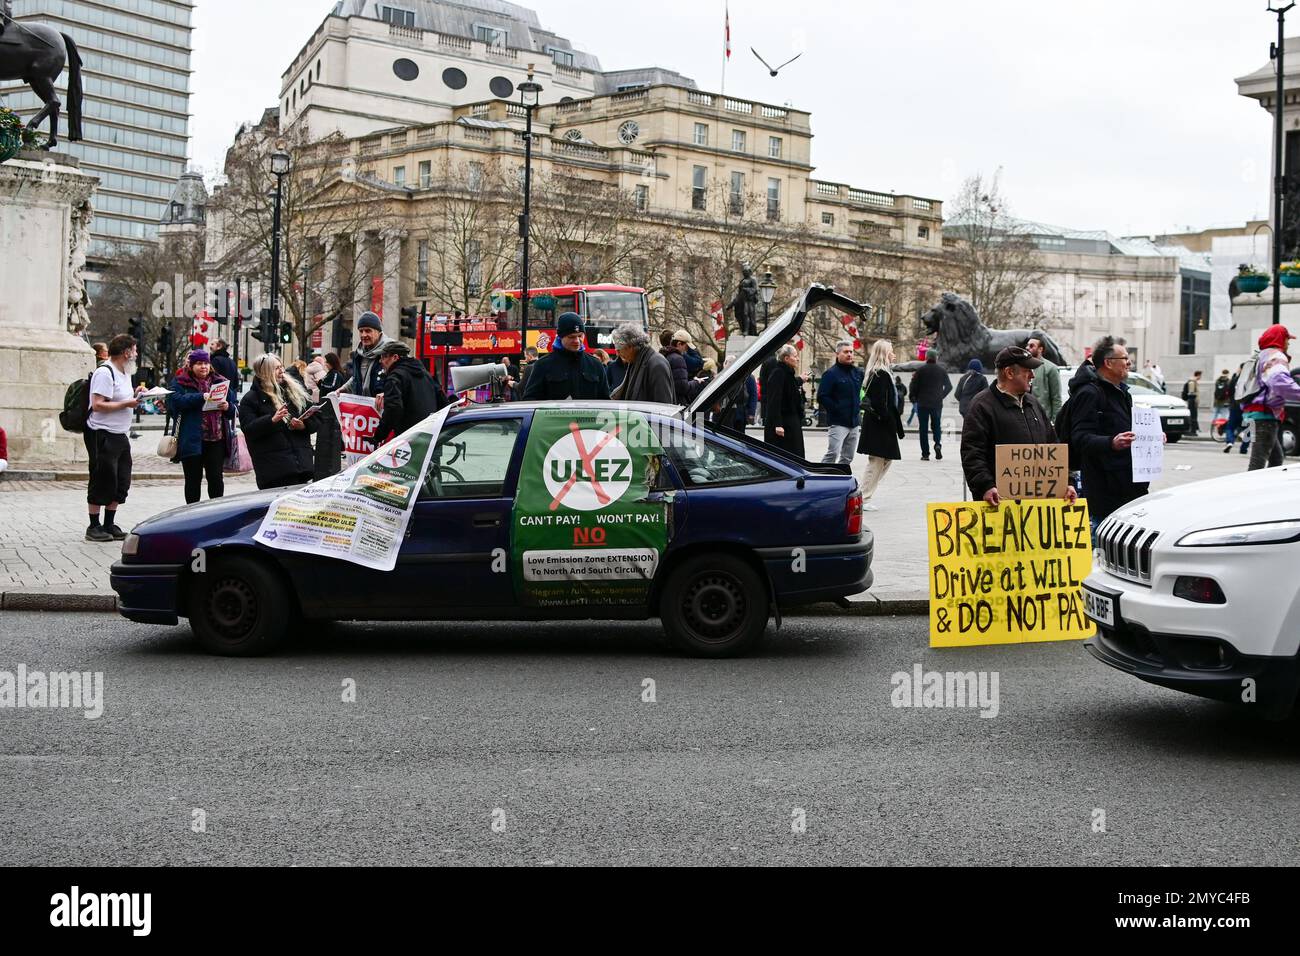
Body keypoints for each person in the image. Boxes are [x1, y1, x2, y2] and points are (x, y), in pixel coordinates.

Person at [961, 346, 1077, 506]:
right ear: (1009, 373)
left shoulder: (1034, 403)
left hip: (1038, 504)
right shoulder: (981, 406)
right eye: (1027, 370)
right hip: (1000, 506)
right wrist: (986, 486)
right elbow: (972, 453)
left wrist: (1066, 482)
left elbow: (1053, 447)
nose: (1032, 375)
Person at [1067, 336, 1152, 532]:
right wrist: (1111, 443)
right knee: (1103, 547)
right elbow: (1079, 438)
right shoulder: (1089, 393)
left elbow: (1127, 429)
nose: (1129, 362)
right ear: (1108, 363)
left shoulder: (1122, 392)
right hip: (1105, 490)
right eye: (1124, 359)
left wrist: (1151, 436)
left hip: (1129, 485)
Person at [85, 334, 143, 542]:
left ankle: (109, 523)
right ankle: (93, 525)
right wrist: (126, 404)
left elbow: (121, 396)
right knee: (102, 478)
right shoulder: (105, 372)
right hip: (102, 433)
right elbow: (98, 404)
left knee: (121, 480)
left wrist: (137, 394)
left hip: (120, 433)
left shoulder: (125, 372)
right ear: (126, 352)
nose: (136, 354)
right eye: (135, 350)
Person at [238, 353, 318, 490]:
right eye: (276, 368)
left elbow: (316, 420)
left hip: (301, 466)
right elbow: (249, 429)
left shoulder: (294, 392)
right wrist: (271, 420)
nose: (282, 371)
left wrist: (303, 425)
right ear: (264, 372)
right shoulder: (250, 399)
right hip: (274, 471)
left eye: (282, 367)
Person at [167, 349, 232, 504]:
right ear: (191, 365)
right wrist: (200, 397)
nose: (203, 367)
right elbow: (175, 403)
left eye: (206, 363)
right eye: (199, 363)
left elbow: (234, 407)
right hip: (191, 439)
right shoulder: (180, 382)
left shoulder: (220, 381)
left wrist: (228, 407)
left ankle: (215, 513)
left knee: (216, 479)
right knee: (192, 480)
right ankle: (192, 515)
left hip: (216, 439)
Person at [855, 340, 905, 510]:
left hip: (880, 423)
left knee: (885, 459)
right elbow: (880, 402)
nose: (894, 355)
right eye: (891, 351)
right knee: (876, 460)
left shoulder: (881, 373)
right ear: (884, 354)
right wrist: (888, 420)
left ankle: (865, 494)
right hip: (880, 423)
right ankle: (863, 497)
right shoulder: (880, 374)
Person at [368, 341, 448, 445]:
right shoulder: (427, 375)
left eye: (383, 357)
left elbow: (393, 409)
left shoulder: (394, 378)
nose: (380, 361)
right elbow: (443, 403)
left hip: (408, 442)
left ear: (395, 357)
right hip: (430, 440)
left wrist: (378, 436)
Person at [1245, 325, 1300, 471]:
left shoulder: (1261, 355)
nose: (1288, 343)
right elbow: (1279, 382)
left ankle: (1263, 489)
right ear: (1280, 339)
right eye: (1287, 339)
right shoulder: (1276, 356)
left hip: (1255, 414)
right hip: (1265, 416)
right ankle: (1250, 491)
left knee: (1276, 458)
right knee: (1257, 462)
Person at [522, 312, 611, 401]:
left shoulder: (596, 364)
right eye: (571, 337)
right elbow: (529, 400)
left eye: (580, 336)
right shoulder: (542, 364)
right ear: (560, 337)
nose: (577, 341)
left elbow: (605, 401)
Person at [817, 339, 864, 466]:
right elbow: (822, 396)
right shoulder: (830, 374)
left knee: (848, 457)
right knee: (833, 453)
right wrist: (836, 409)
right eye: (846, 352)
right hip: (838, 422)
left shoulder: (857, 373)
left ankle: (841, 480)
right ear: (838, 354)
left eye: (851, 352)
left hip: (854, 422)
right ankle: (818, 477)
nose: (849, 354)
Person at [610, 322, 675, 404]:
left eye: (619, 350)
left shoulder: (657, 365)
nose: (617, 354)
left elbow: (663, 405)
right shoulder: (635, 362)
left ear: (630, 347)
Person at [762, 344, 805, 458]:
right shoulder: (778, 373)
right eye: (795, 356)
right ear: (786, 358)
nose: (797, 359)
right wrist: (778, 424)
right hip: (784, 423)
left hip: (791, 421)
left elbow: (789, 388)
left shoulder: (787, 373)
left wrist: (800, 380)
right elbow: (774, 400)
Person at [911, 352, 952, 461]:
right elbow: (949, 386)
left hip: (923, 403)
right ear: (936, 358)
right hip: (936, 404)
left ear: (926, 358)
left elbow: (914, 387)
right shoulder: (941, 371)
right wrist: (941, 396)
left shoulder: (920, 370)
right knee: (936, 425)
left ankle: (925, 454)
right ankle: (937, 444)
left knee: (923, 428)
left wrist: (914, 398)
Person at [312, 352, 346, 479]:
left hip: (331, 411)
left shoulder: (335, 374)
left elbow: (332, 387)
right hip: (326, 411)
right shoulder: (331, 374)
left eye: (326, 362)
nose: (325, 364)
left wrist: (320, 382)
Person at [346, 311, 391, 398]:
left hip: (385, 407)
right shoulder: (358, 354)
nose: (364, 335)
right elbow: (356, 378)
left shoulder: (391, 351)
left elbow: (403, 379)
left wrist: (387, 394)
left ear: (378, 332)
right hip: (364, 407)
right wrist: (343, 388)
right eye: (361, 331)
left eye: (368, 331)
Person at [713, 355, 758, 434]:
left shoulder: (748, 377)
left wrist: (751, 412)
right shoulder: (719, 377)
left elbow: (753, 395)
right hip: (722, 413)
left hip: (739, 413)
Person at [1026, 335, 1062, 422]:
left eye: (1031, 346)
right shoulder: (1023, 367)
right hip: (1026, 419)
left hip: (1043, 419)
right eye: (1027, 345)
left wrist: (1054, 422)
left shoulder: (1051, 368)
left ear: (1040, 349)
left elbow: (1056, 398)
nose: (1027, 348)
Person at [660, 329, 701, 404]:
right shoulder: (678, 359)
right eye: (686, 346)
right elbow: (683, 388)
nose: (686, 350)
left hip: (667, 402)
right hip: (678, 404)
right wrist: (696, 382)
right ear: (679, 344)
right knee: (698, 415)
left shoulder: (664, 355)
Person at [1181, 370, 1202, 434]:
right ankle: (1192, 430)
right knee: (1193, 415)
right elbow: (1191, 392)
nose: (1200, 377)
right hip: (1192, 401)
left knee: (1193, 415)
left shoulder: (1193, 381)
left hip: (1192, 400)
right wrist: (1195, 400)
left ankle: (1194, 429)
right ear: (1198, 375)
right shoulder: (1192, 382)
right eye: (1200, 375)